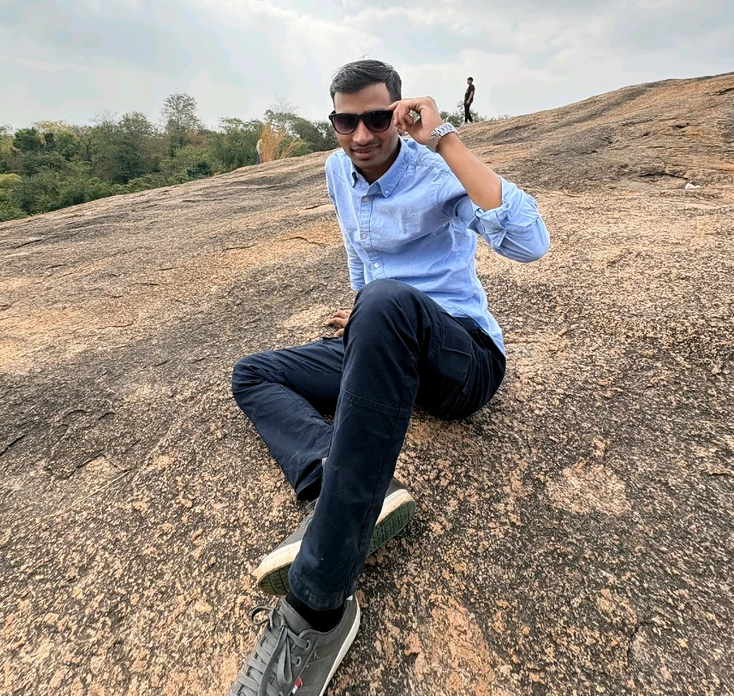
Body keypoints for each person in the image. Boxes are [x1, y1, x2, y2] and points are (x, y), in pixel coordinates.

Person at [227, 59, 550, 696]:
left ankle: (318, 608)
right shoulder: (337, 170)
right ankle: (341, 480)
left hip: (460, 359)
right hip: (383, 341)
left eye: (377, 118)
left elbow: (529, 242)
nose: (361, 135)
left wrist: (446, 140)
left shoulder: (436, 170)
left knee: (384, 301)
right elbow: (361, 254)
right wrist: (360, 314)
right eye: (345, 121)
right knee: (254, 374)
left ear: (400, 114)